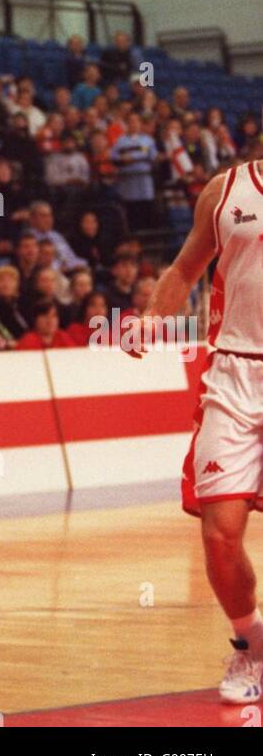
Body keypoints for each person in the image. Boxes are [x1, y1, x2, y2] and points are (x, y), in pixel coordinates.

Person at [122, 156, 263, 701]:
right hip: (232, 375)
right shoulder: (225, 190)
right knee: (220, 534)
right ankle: (250, 644)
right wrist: (153, 316)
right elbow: (184, 269)